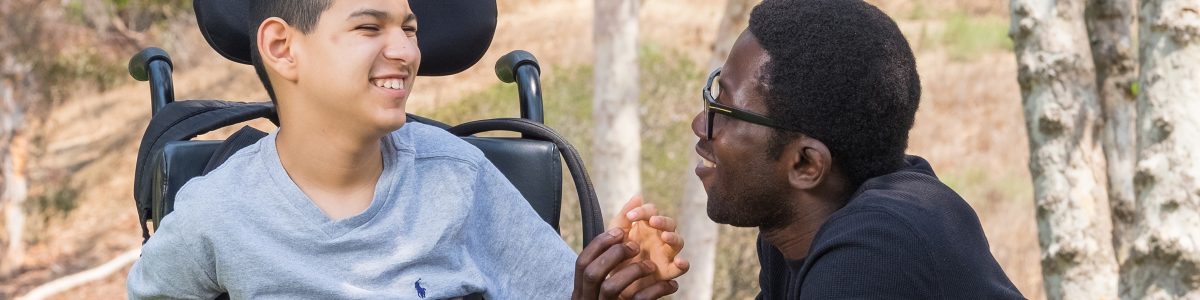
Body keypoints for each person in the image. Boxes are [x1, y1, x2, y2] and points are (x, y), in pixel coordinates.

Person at [127, 0, 687, 298]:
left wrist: (612, 282)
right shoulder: (219, 212)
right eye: (370, 28)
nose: (404, 50)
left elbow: (555, 291)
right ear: (282, 47)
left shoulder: (459, 178)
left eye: (411, 28)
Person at [692, 0, 1024, 298]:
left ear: (806, 165)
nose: (699, 125)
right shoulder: (792, 229)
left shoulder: (877, 250)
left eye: (726, 112)